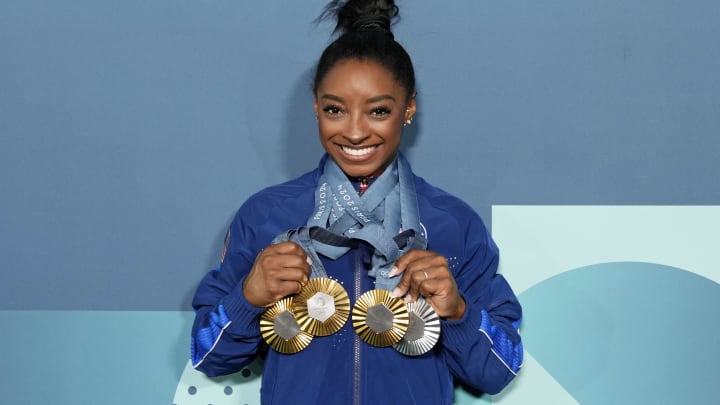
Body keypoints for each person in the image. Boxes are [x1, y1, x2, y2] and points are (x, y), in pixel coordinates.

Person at [189, 1, 523, 403]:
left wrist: (458, 312)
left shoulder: (452, 223)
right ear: (316, 107)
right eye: (335, 109)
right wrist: (247, 297)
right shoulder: (267, 215)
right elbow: (207, 354)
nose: (355, 131)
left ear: (409, 108)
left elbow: (499, 370)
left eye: (378, 111)